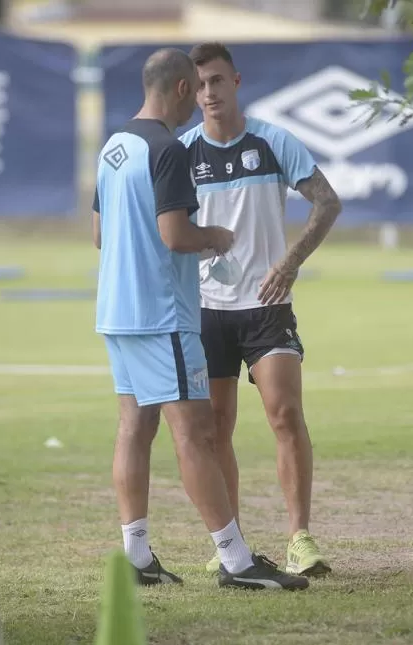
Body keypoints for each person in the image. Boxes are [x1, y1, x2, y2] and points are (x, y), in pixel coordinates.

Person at [91, 48, 309, 591]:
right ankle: (236, 561)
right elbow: (175, 236)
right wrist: (216, 237)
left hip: (115, 312)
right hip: (163, 314)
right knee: (194, 433)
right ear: (184, 89)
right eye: (199, 87)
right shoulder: (167, 149)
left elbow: (99, 235)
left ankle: (136, 555)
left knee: (134, 428)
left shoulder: (114, 147)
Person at [179, 42, 343, 577]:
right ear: (190, 89)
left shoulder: (272, 141)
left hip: (267, 306)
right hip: (206, 310)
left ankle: (299, 538)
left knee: (285, 415)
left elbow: (327, 199)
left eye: (218, 81)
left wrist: (291, 263)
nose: (210, 93)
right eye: (201, 84)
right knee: (215, 428)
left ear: (236, 82)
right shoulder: (181, 153)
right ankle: (234, 546)